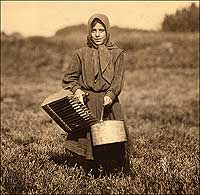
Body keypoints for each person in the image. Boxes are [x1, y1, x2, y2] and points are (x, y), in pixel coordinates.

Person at [62, 13, 132, 176]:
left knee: (111, 137)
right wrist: (77, 90)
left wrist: (111, 94)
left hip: (108, 102)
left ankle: (112, 171)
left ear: (107, 31)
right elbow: (69, 78)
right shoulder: (80, 54)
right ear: (89, 32)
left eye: (102, 30)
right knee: (88, 139)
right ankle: (90, 170)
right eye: (94, 30)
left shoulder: (117, 54)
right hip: (87, 102)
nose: (98, 34)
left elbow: (118, 80)